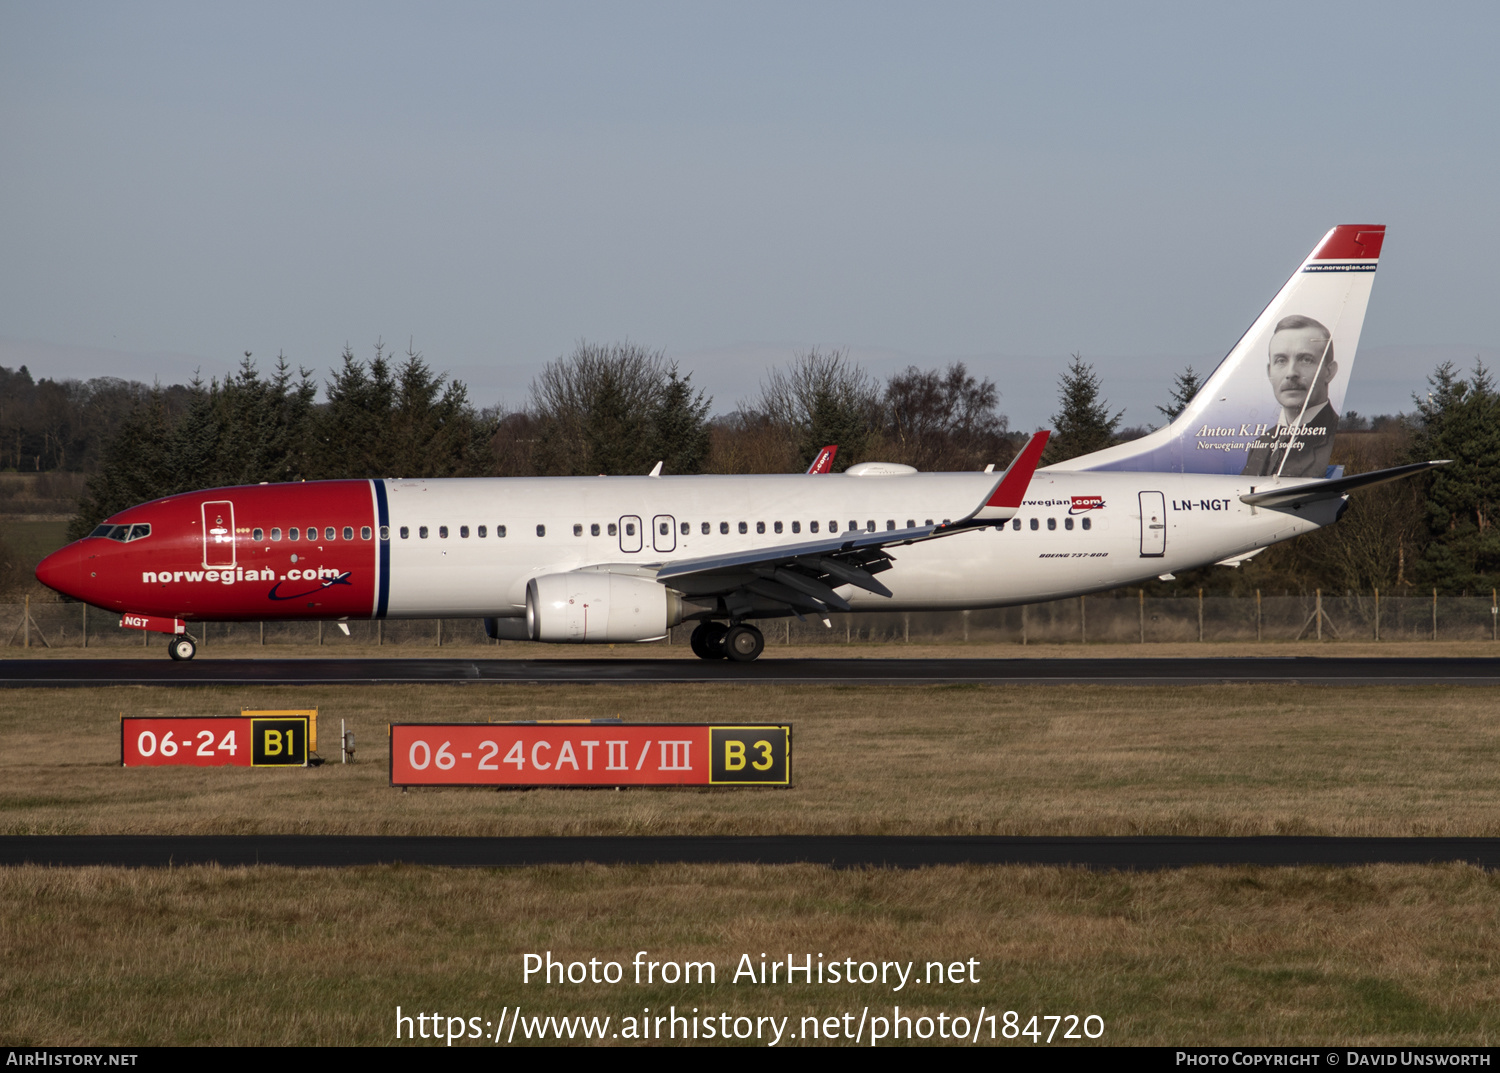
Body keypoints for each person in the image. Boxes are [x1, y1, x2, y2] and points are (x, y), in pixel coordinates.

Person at [1240, 314, 1339, 478]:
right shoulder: (1262, 443)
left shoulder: (1334, 440)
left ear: (1329, 372)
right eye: (1280, 360)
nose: (1291, 373)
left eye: (1306, 360)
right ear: (1269, 371)